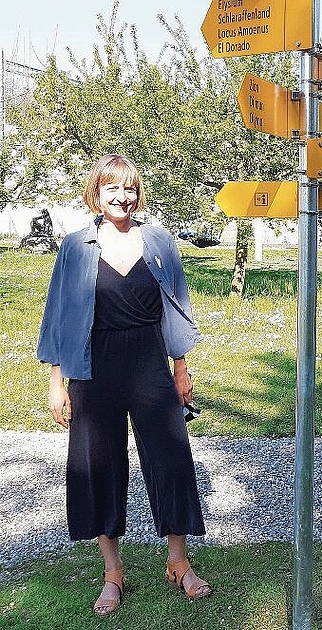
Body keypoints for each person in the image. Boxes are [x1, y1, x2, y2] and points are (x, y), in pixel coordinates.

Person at [37, 154, 211, 615]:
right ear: (97, 192)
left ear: (138, 193)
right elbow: (58, 315)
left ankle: (178, 562)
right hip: (93, 367)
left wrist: (181, 366)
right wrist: (57, 381)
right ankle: (112, 573)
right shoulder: (76, 246)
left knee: (171, 459)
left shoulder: (158, 240)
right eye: (112, 188)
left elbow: (177, 305)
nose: (122, 197)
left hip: (150, 361)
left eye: (130, 188)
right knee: (99, 465)